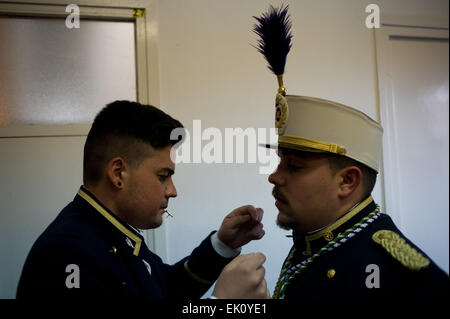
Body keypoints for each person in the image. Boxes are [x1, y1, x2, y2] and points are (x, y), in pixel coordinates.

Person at [252, 5, 448, 300]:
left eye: (293, 166)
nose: (274, 177)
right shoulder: (313, 241)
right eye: (280, 161)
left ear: (347, 182)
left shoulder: (401, 276)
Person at [17, 100, 268, 299]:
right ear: (118, 174)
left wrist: (222, 244)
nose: (172, 190)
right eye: (163, 176)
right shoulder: (68, 253)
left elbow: (165, 288)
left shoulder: (108, 233)